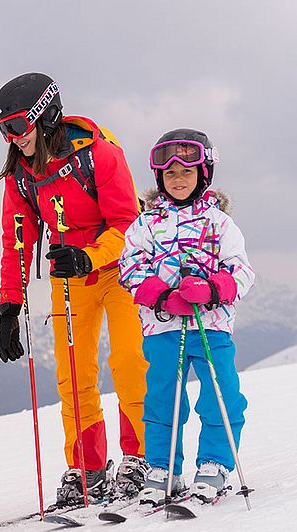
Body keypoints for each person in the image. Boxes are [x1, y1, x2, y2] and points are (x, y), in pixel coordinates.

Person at [0, 73, 149, 505]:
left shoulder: (98, 153)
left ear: (45, 117)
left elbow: (128, 224)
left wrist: (89, 255)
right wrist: (9, 305)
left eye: (18, 126)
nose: (12, 137)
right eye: (3, 129)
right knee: (73, 374)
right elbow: (17, 241)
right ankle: (88, 467)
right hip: (70, 277)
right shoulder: (21, 175)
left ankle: (140, 457)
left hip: (120, 271)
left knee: (129, 363)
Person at [119, 129, 254, 506]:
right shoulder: (146, 224)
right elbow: (128, 268)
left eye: (187, 172)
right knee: (163, 396)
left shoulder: (220, 224)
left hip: (211, 326)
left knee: (221, 392)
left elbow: (243, 272)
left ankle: (215, 463)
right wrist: (161, 296)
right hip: (163, 327)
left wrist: (212, 290)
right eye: (170, 173)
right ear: (159, 177)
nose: (178, 180)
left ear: (204, 173)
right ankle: (164, 467)